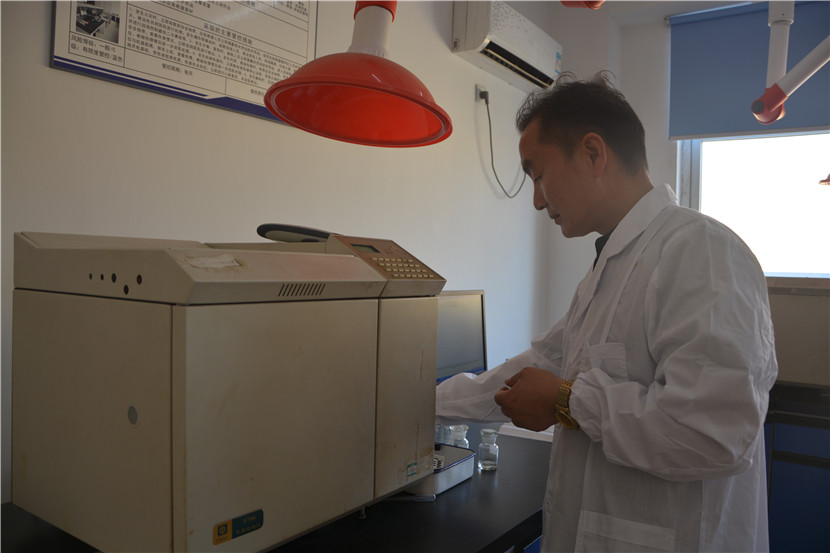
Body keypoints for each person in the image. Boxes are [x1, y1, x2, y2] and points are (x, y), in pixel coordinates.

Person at [436, 72, 777, 552]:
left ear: (593, 153)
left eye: (538, 174)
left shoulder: (701, 250)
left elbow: (714, 435)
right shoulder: (607, 272)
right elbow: (530, 372)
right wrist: (417, 402)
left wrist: (568, 401)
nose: (536, 200)